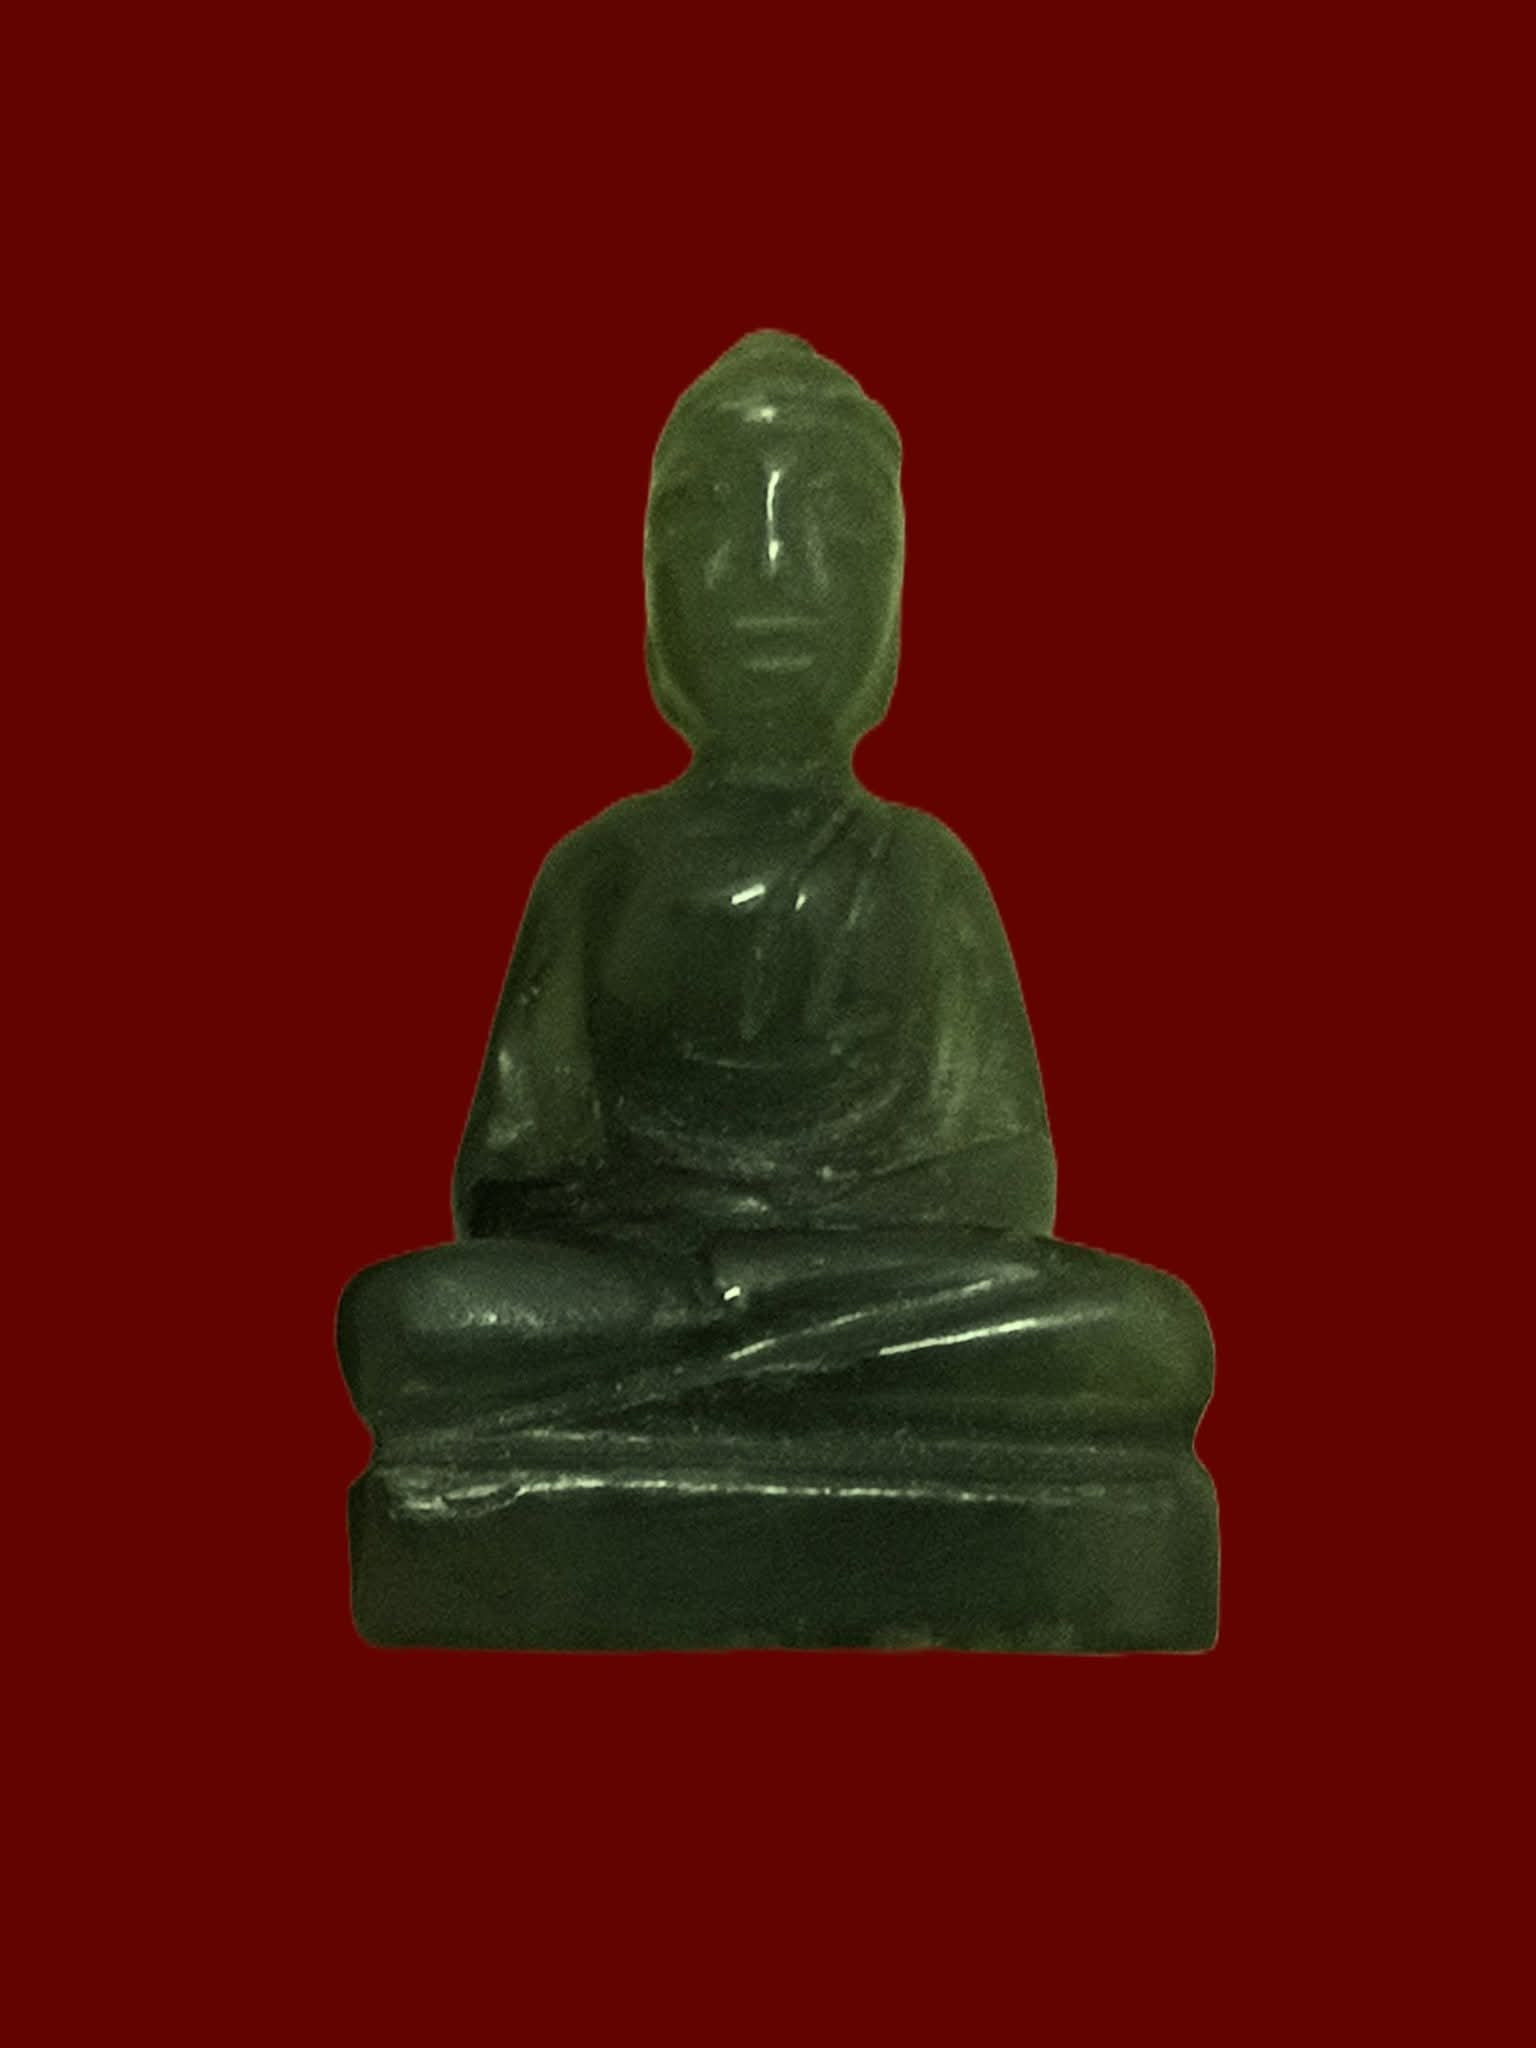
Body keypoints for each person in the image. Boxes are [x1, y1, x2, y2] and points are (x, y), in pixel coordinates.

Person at [338, 331, 1210, 1451]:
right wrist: (696, 1239)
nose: (770, 571)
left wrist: (774, 1263)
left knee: (1144, 1336)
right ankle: (746, 1369)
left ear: (892, 580)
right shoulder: (602, 867)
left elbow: (1006, 1184)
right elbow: (508, 1184)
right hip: (660, 1289)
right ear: (655, 578)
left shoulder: (919, 866)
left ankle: (708, 1378)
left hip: (852, 1289)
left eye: (833, 522)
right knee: (413, 1317)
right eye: (709, 522)